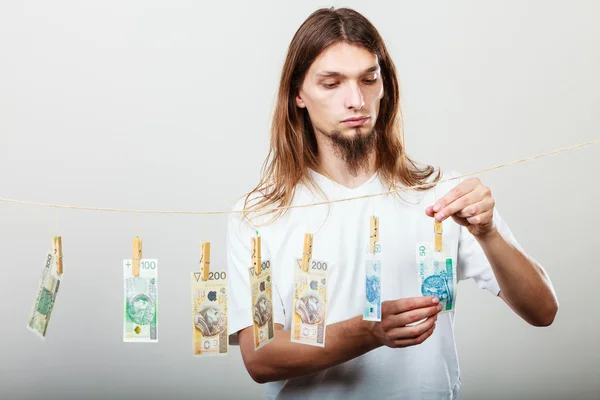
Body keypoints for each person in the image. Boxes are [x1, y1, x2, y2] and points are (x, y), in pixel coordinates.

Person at [226, 7, 558, 400]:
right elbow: (261, 358)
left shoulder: (444, 194)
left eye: (369, 79)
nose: (356, 100)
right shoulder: (258, 215)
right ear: (298, 94)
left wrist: (489, 235)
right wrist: (368, 331)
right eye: (331, 83)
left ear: (385, 86)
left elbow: (542, 311)